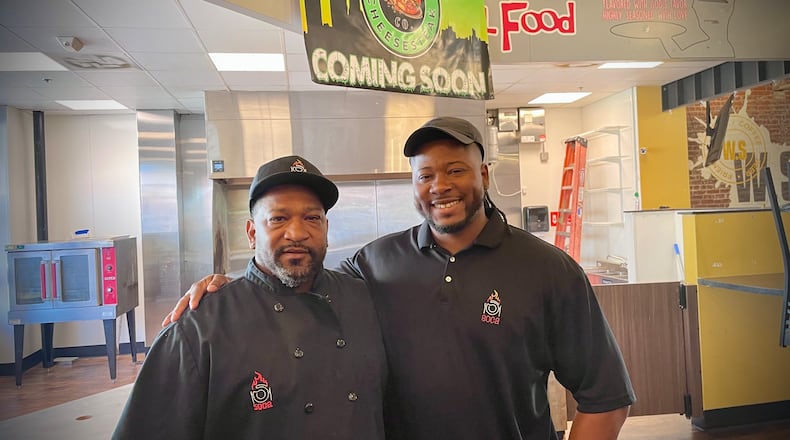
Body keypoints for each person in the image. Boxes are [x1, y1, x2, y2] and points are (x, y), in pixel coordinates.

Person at [165, 117, 636, 440]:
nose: (440, 186)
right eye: (425, 174)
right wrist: (230, 288)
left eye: (456, 170)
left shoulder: (549, 269)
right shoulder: (373, 264)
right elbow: (298, 285)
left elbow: (606, 395)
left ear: (484, 175)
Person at [114, 156, 386, 439]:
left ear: (326, 229)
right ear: (252, 233)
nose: (297, 233)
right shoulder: (199, 327)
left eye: (312, 218)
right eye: (278, 218)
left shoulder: (362, 298)